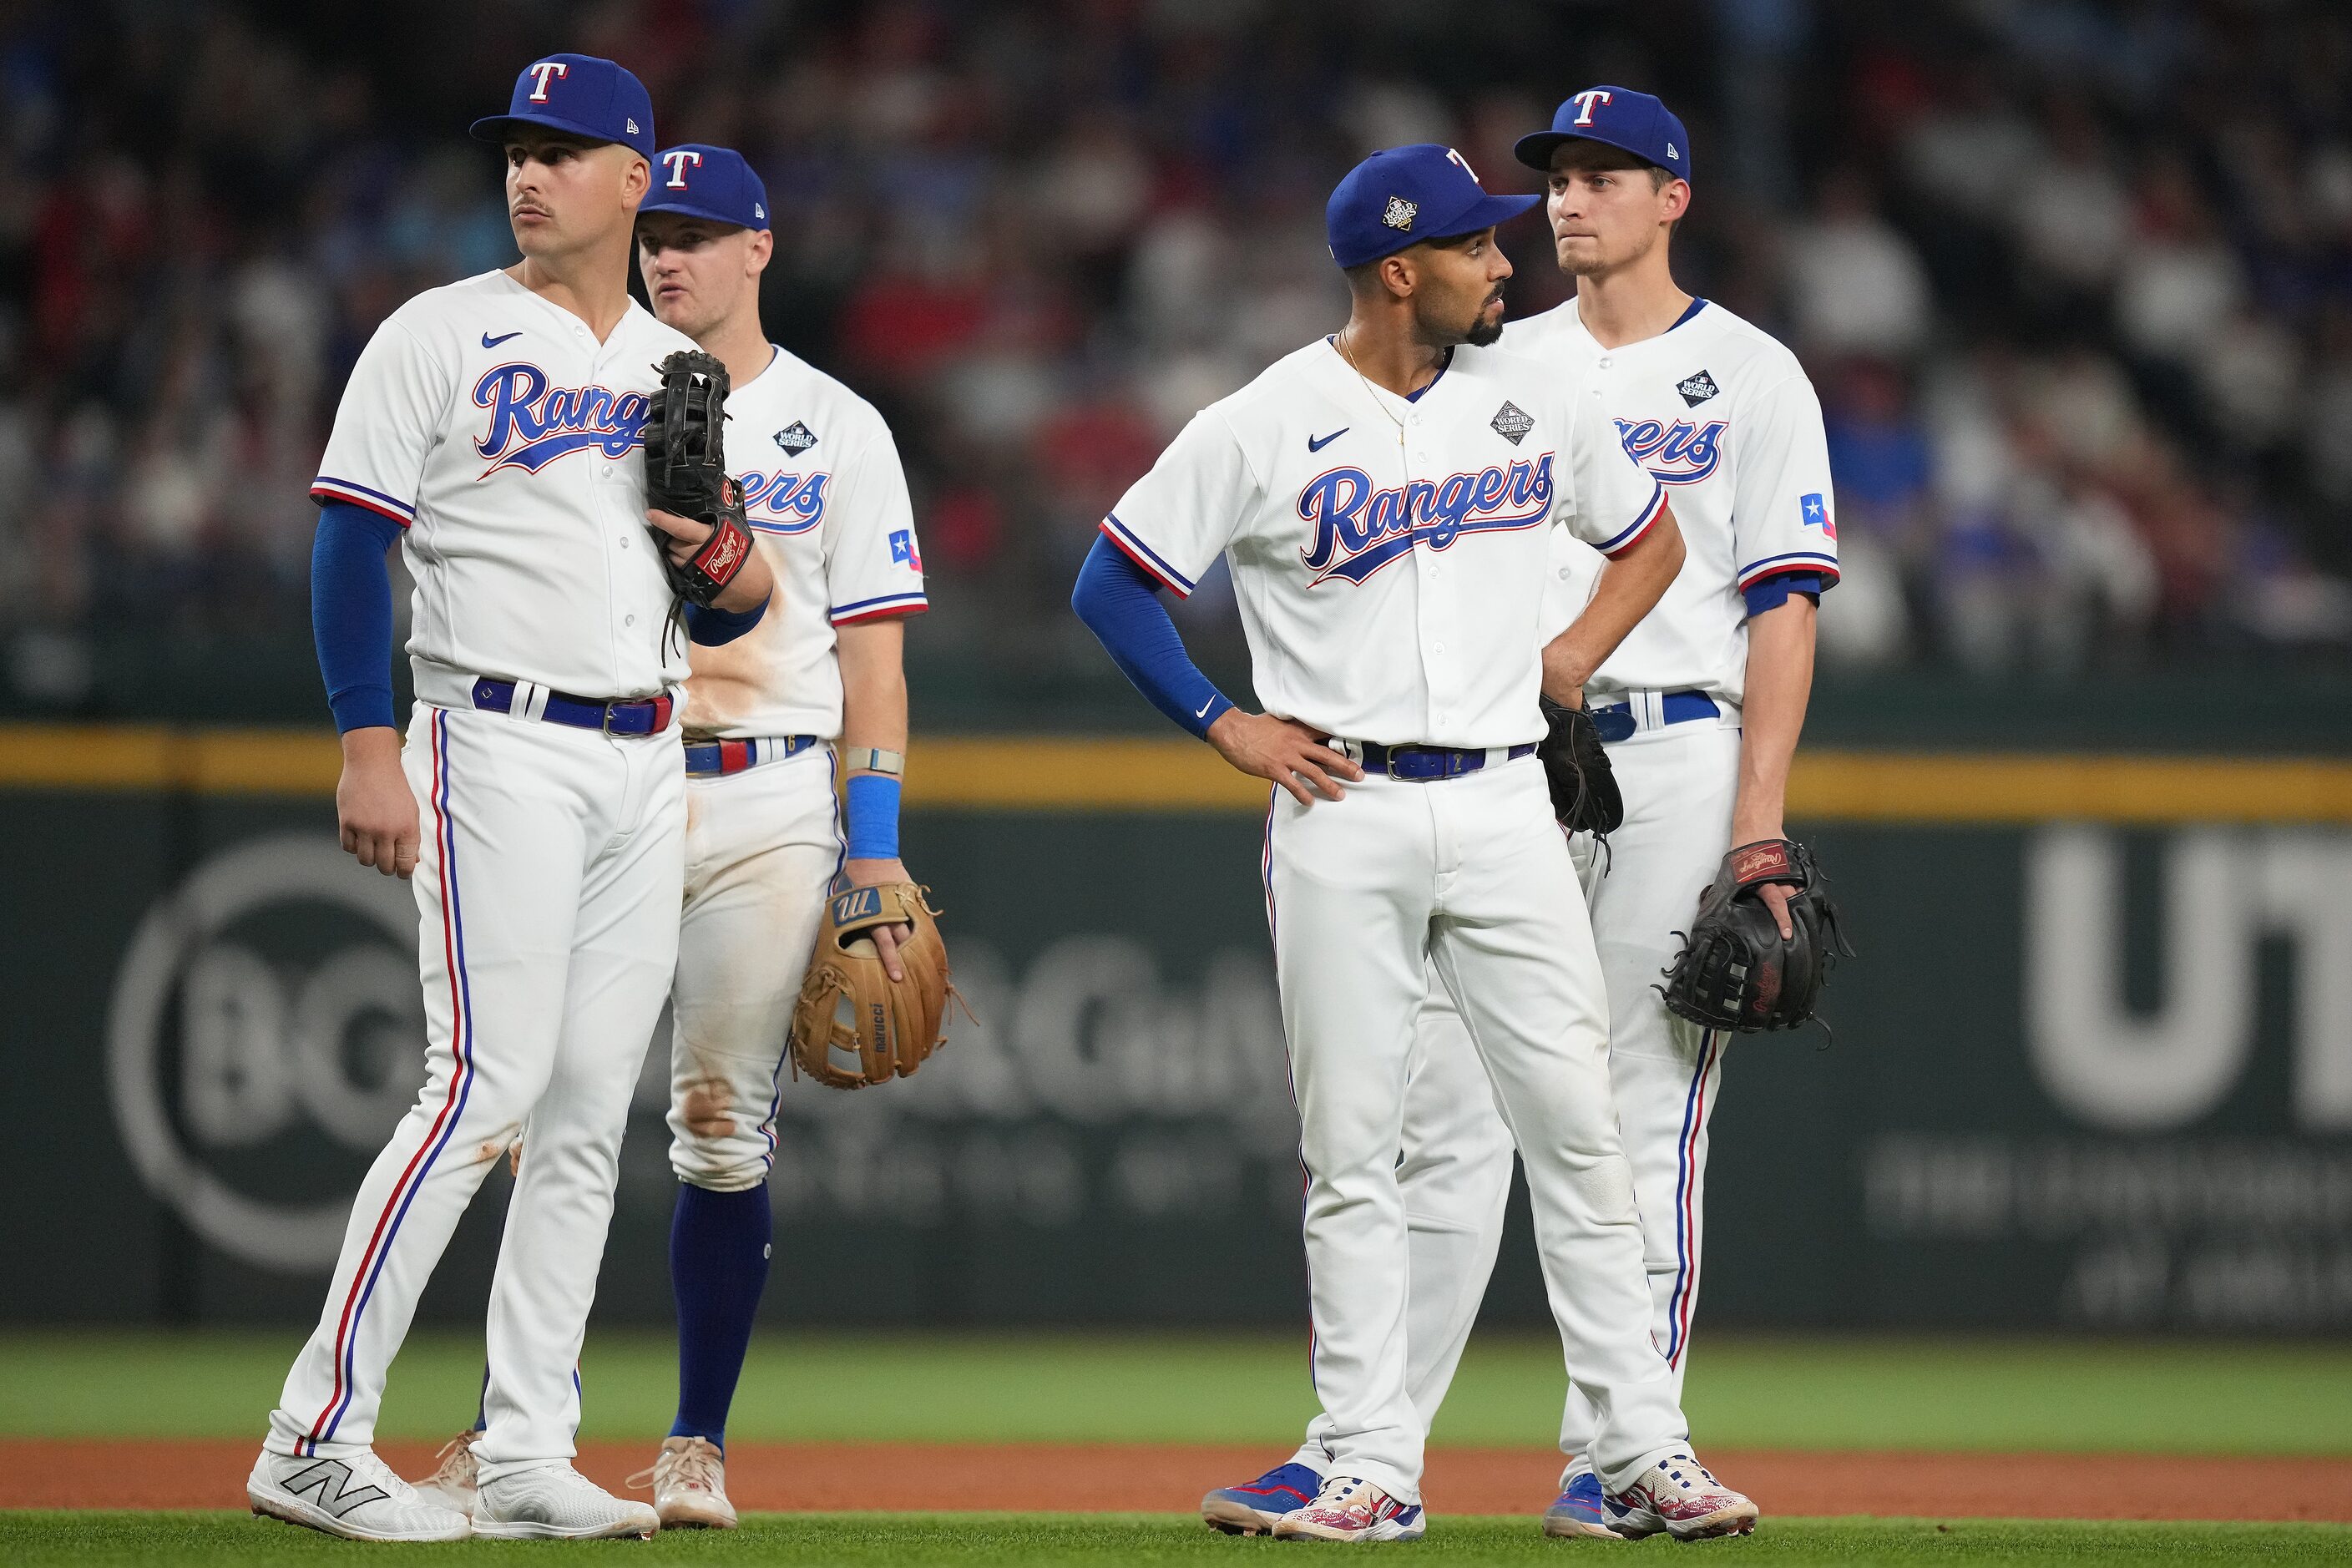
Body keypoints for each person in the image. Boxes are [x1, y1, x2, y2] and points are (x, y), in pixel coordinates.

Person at [1075, 143, 1758, 1544]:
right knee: (1355, 1151)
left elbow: (1652, 543)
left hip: (1511, 798)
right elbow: (1114, 581)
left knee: (1578, 1135)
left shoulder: (1533, 400)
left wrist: (1564, 660)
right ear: (1402, 271)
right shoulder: (1264, 420)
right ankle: (1370, 1466)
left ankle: (1639, 1451)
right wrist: (1224, 722)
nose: (1507, 265)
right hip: (1343, 806)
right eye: (1477, 248)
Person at [245, 57, 775, 1544]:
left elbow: (722, 612)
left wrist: (725, 561)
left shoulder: (673, 373)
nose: (528, 173)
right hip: (493, 738)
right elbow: (353, 539)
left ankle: (529, 1439)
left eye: (563, 150)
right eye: (515, 152)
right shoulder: (442, 330)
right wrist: (365, 740)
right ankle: (314, 1431)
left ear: (634, 179)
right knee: (478, 1084)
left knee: (590, 1110)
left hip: (646, 748)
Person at [406, 143, 928, 1532]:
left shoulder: (839, 425)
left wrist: (868, 844)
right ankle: (514, 1428)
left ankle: (693, 1438)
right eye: (662, 232)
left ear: (761, 248)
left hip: (767, 797)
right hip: (594, 770)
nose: (671, 255)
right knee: (532, 1110)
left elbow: (873, 663)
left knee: (715, 1127)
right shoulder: (582, 391)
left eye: (702, 234)